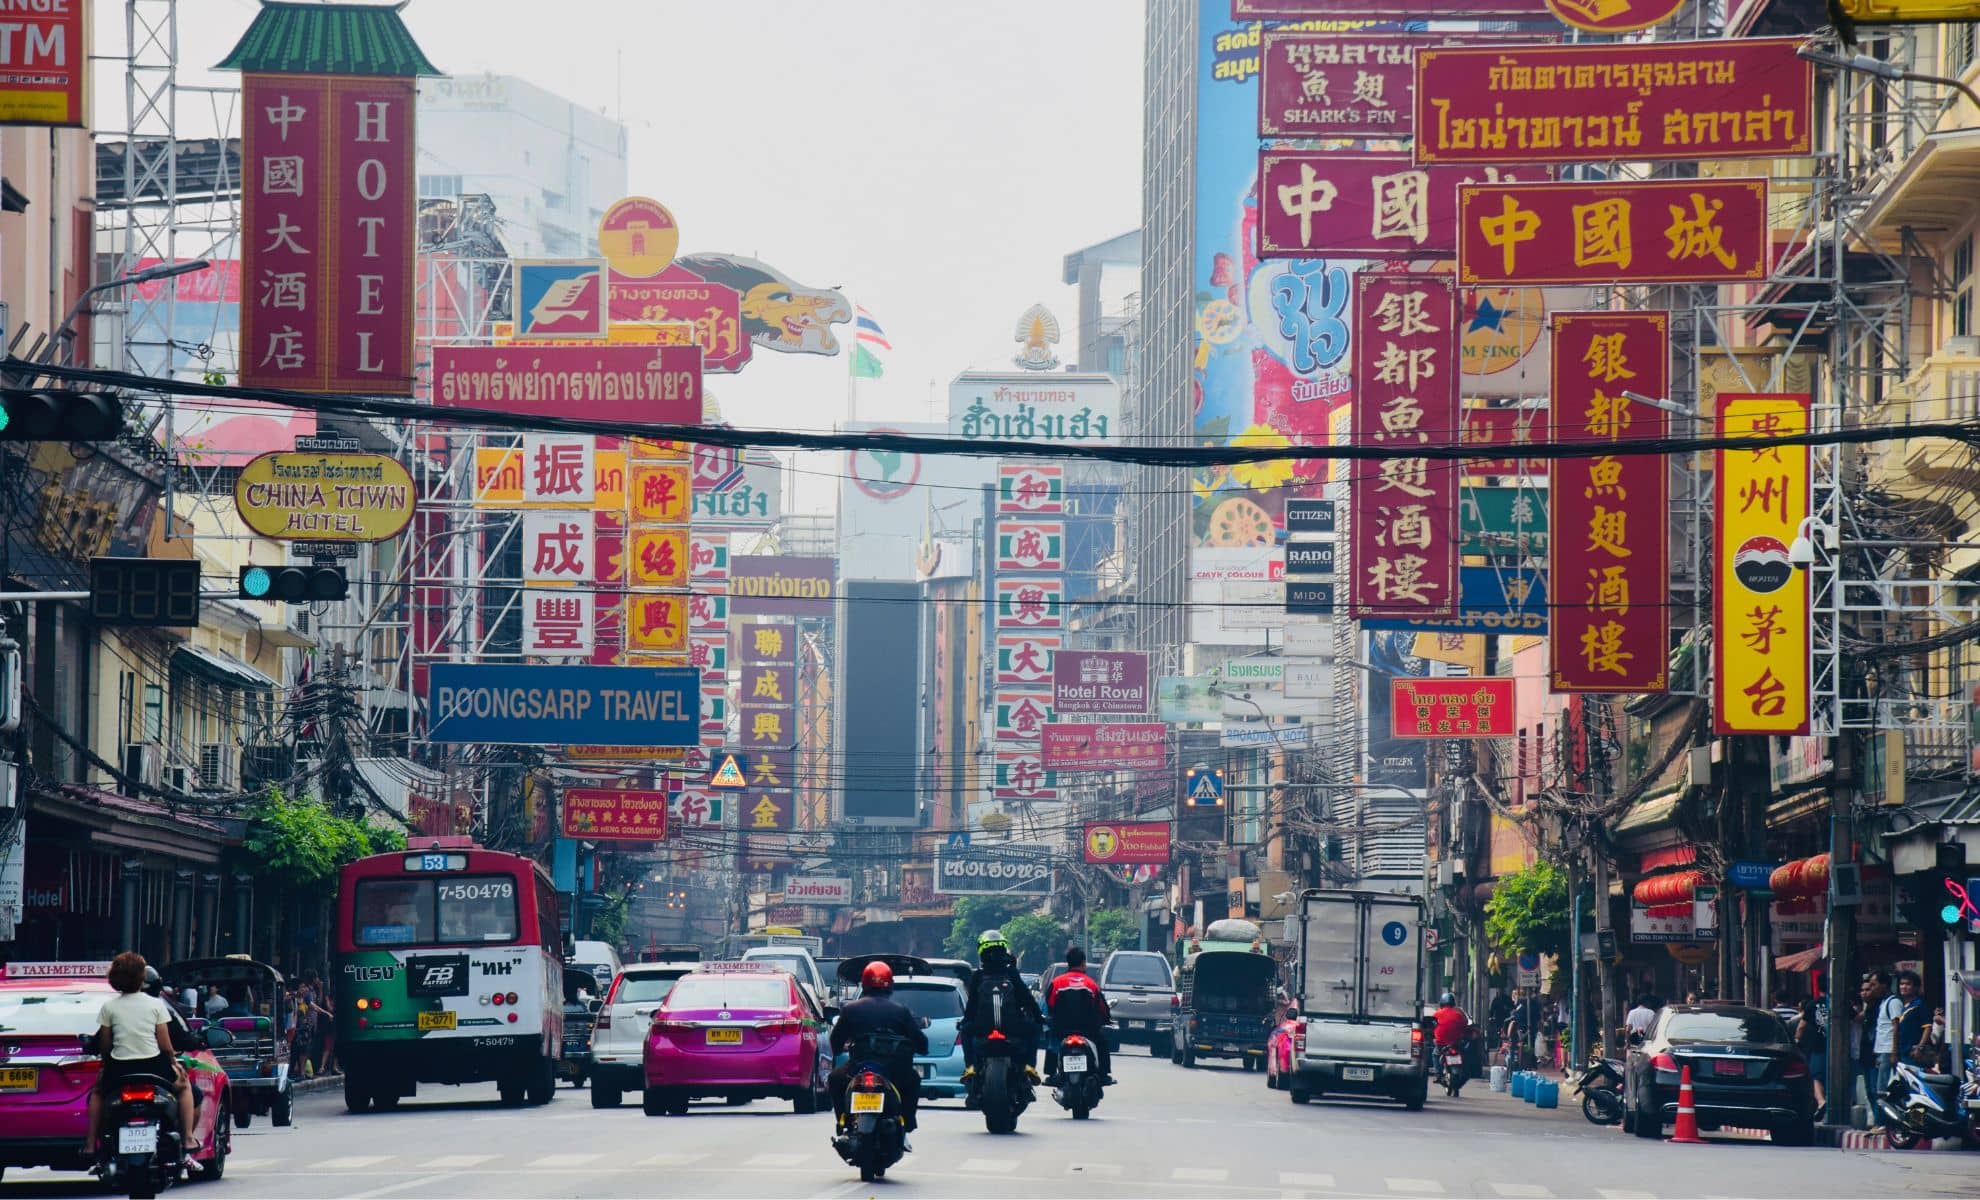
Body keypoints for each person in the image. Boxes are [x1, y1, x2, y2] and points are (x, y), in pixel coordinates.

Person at [84, 953, 198, 1166]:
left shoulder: (109, 1007)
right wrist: (174, 1064)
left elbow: (105, 1045)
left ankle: (91, 1144)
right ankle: (189, 1139)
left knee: (98, 1092)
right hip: (154, 1067)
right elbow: (165, 1046)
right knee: (184, 1088)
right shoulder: (156, 1005)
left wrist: (106, 1065)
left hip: (119, 1070)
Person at [828, 961, 927, 1138]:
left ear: (864, 983)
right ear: (890, 985)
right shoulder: (901, 1011)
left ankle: (842, 1121)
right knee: (913, 1080)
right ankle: (908, 1121)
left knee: (834, 1079)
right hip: (893, 1071)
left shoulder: (850, 1009)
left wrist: (840, 1049)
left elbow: (835, 1041)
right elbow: (921, 1043)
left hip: (859, 1068)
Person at [960, 929, 1043, 1094]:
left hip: (982, 1027)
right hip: (1013, 1026)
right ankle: (1029, 1066)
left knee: (965, 1032)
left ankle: (970, 1067)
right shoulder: (1011, 973)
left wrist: (964, 1022)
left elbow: (971, 1006)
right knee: (1034, 1029)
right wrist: (1039, 1017)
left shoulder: (978, 976)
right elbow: (1026, 997)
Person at [1043, 945, 1113, 1084]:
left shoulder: (1057, 982)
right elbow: (1102, 1008)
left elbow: (1049, 1005)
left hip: (1062, 1029)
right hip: (1087, 1030)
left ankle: (1050, 1074)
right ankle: (1104, 1074)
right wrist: (1106, 1019)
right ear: (1083, 963)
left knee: (1053, 1042)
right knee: (1102, 1042)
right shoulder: (1091, 984)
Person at [1891, 972, 1928, 1075]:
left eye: (1908, 984)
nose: (1904, 987)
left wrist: (1920, 1047)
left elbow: (1927, 1027)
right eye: (1902, 984)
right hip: (1901, 1051)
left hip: (1912, 1052)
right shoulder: (1902, 1006)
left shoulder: (1919, 1005)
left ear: (1915, 987)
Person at [1793, 997, 1826, 1109]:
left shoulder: (1812, 1005)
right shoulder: (1840, 1000)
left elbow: (1801, 1027)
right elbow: (1856, 1018)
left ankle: (1821, 1101)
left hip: (1817, 1046)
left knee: (1816, 1076)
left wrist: (1796, 1042)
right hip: (1842, 1046)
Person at [1432, 992, 1469, 1079]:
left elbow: (1431, 1026)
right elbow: (1465, 1026)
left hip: (1441, 1043)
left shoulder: (1437, 1014)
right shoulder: (1459, 1014)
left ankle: (1438, 1074)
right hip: (1456, 1043)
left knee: (1435, 1054)